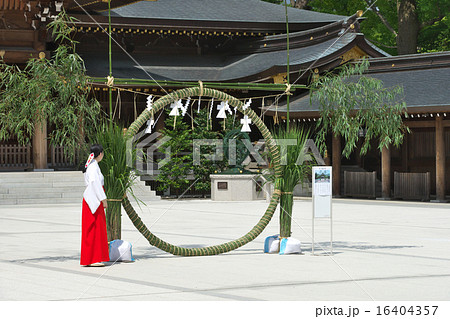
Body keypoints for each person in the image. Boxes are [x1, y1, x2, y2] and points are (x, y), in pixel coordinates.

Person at [80, 144, 110, 267]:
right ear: (100, 154)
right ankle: (93, 258)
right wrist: (103, 199)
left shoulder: (92, 166)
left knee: (95, 228)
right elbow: (95, 183)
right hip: (94, 199)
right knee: (94, 228)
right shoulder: (93, 167)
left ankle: (93, 257)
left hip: (93, 199)